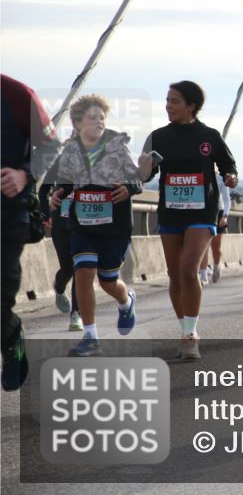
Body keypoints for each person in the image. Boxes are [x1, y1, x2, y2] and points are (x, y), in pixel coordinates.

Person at [140, 81, 238, 361]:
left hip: (202, 211)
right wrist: (143, 168)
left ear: (191, 106)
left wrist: (231, 177)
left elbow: (229, 166)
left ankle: (191, 334)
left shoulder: (209, 136)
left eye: (174, 101)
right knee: (175, 275)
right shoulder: (158, 136)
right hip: (170, 211)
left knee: (188, 269)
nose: (168, 106)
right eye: (167, 100)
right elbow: (144, 176)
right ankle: (184, 329)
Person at [48, 95, 142, 356]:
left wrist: (129, 188)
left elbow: (137, 180)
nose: (99, 122)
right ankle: (91, 338)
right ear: (77, 123)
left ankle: (126, 301)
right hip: (83, 225)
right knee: (84, 273)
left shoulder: (116, 146)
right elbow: (66, 183)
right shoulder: (70, 151)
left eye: (102, 118)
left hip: (114, 227)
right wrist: (58, 194)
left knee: (108, 281)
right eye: (92, 118)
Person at [1, 74, 58, 391]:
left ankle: (10, 339)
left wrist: (25, 174)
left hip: (7, 212)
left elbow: (49, 147)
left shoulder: (16, 93)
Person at [40, 140, 81, 330]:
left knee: (79, 266)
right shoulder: (61, 161)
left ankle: (76, 315)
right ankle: (59, 288)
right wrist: (45, 213)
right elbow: (43, 190)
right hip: (61, 223)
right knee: (67, 267)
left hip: (83, 224)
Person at [198, 176, 231, 285]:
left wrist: (225, 216)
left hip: (218, 212)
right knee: (204, 245)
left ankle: (216, 266)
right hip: (203, 211)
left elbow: (227, 200)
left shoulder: (220, 178)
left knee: (216, 247)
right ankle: (203, 275)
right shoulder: (199, 174)